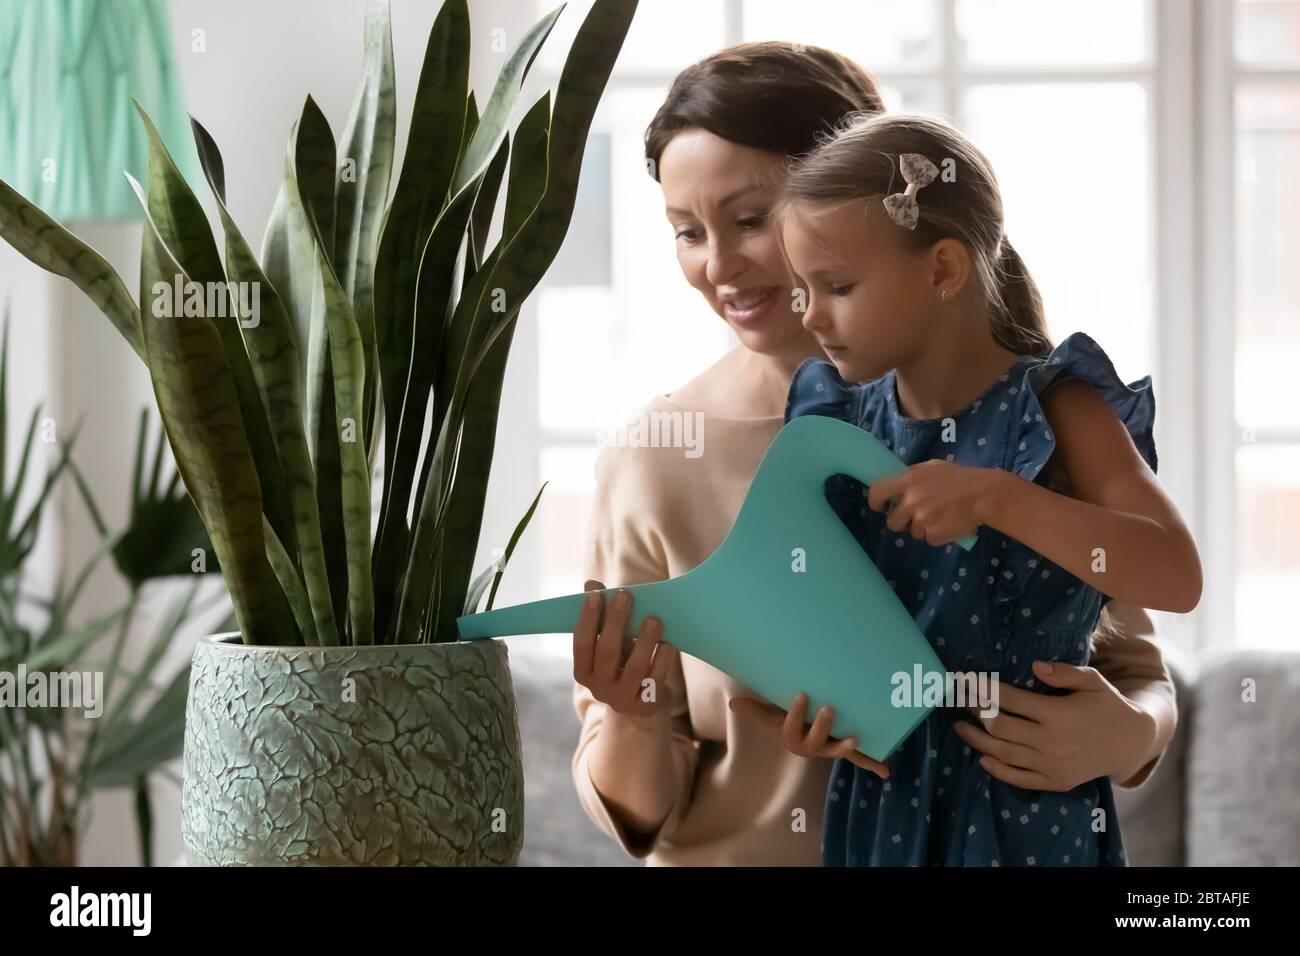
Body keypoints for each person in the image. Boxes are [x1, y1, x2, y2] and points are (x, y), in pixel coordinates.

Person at [570, 43, 1178, 867]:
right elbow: (638, 810)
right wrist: (636, 716)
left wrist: (1131, 730)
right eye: (686, 232)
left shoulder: (1014, 416)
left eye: (751, 221)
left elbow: (1134, 661)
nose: (718, 266)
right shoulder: (654, 459)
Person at [765, 112, 1200, 865]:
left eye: (836, 286)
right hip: (884, 804)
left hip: (1030, 803)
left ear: (942, 270)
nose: (812, 318)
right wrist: (811, 708)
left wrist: (999, 497)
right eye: (802, 290)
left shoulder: (1058, 406)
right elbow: (804, 622)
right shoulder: (834, 420)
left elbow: (1176, 576)